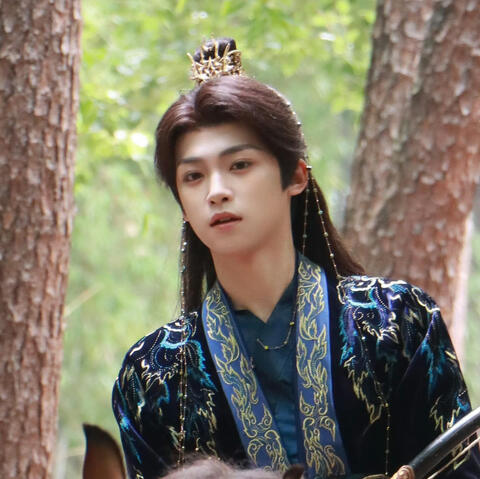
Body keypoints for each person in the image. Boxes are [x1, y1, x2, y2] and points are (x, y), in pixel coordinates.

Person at [112, 38, 480, 479]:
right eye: (193, 176)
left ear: (296, 176)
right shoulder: (153, 374)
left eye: (240, 165)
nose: (216, 191)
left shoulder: (396, 323)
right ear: (183, 205)